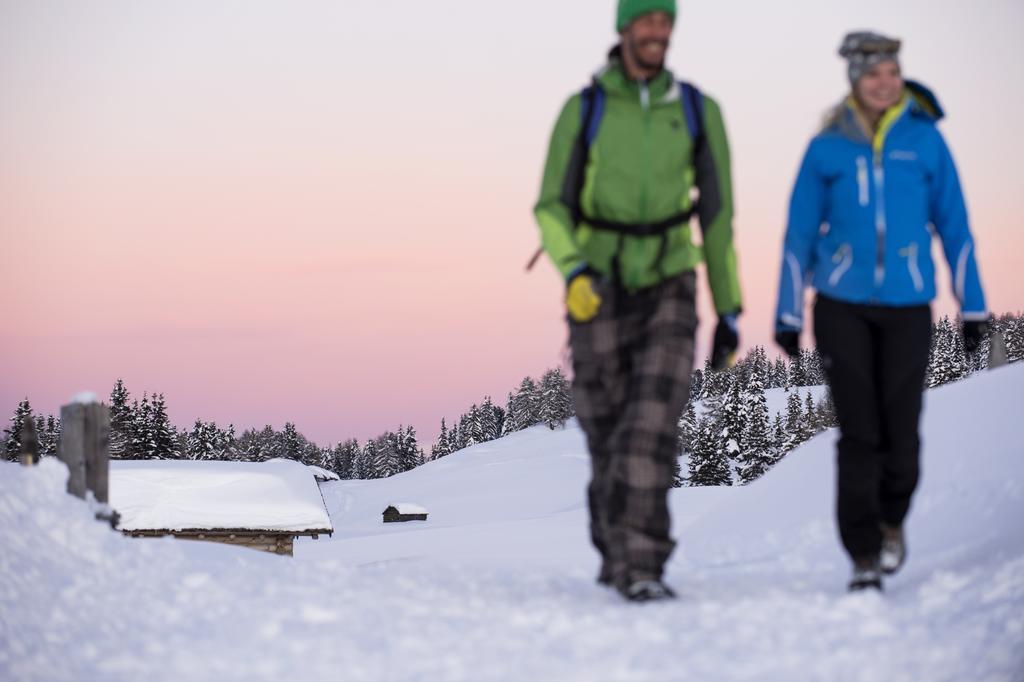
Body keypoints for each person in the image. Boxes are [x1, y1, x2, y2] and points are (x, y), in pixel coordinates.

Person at [533, 0, 742, 602]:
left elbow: (718, 215)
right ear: (625, 28)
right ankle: (615, 546)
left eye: (666, 21)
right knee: (606, 432)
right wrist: (572, 268)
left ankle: (643, 565)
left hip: (671, 278)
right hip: (595, 282)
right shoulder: (586, 108)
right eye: (647, 20)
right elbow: (550, 205)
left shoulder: (699, 111)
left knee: (649, 426)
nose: (658, 31)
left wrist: (728, 310)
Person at [774, 31, 989, 591]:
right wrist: (787, 314)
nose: (885, 83)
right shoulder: (827, 147)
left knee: (902, 437)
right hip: (841, 305)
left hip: (908, 306)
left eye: (892, 72)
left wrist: (974, 308)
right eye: (874, 75)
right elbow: (798, 235)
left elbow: (956, 227)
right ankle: (863, 554)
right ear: (854, 81)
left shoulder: (925, 142)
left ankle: (892, 520)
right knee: (858, 433)